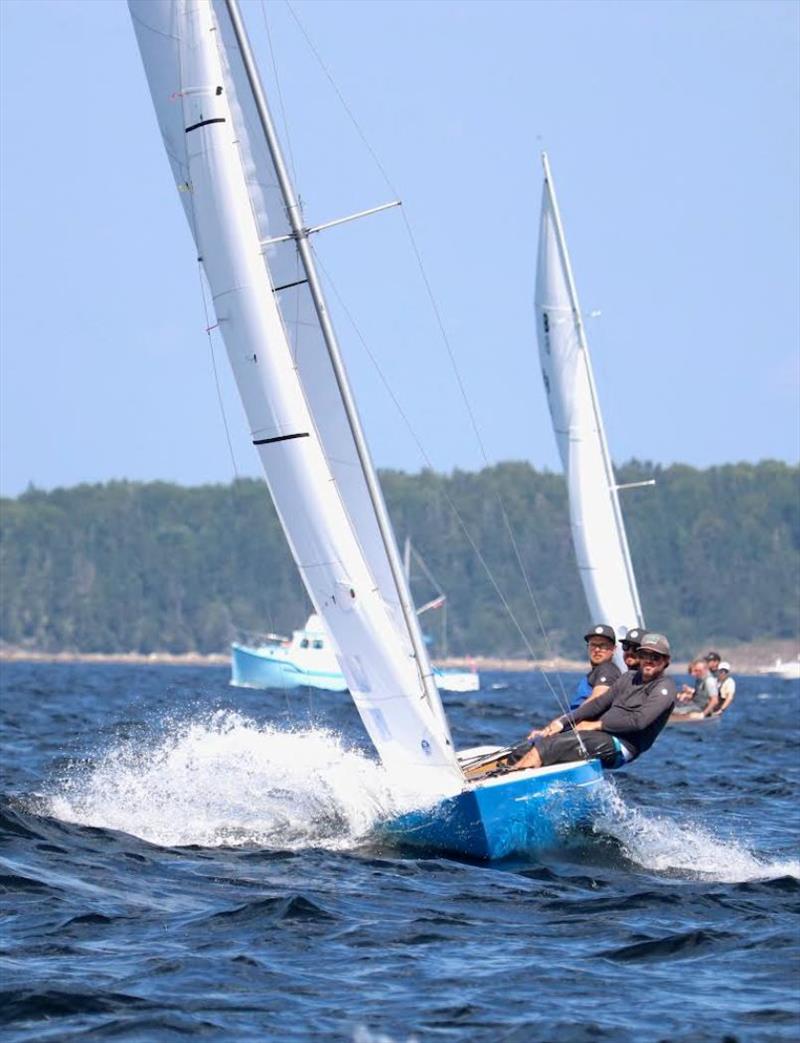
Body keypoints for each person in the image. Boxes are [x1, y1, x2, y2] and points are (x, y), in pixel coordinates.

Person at [466, 633, 676, 776]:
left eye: (655, 657)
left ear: (666, 661)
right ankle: (487, 779)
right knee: (530, 746)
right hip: (601, 735)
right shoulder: (628, 678)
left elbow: (640, 721)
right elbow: (598, 704)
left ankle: (506, 786)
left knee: (548, 748)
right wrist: (562, 722)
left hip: (622, 746)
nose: (649, 660)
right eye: (645, 655)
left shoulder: (664, 688)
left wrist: (596, 725)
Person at [566, 624, 621, 711]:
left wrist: (563, 720)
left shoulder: (607, 670)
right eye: (593, 645)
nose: (597, 650)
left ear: (613, 649)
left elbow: (597, 700)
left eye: (602, 646)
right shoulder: (594, 673)